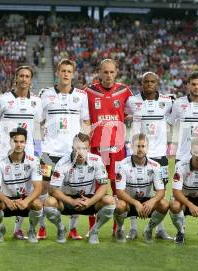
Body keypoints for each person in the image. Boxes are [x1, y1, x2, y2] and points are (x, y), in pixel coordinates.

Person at [0, 65, 42, 240]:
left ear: (31, 80)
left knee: (25, 188)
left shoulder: (37, 102)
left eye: (27, 76)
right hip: (4, 152)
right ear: (16, 78)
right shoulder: (3, 99)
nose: (24, 79)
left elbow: (39, 125)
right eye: (21, 76)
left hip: (28, 151)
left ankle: (18, 229)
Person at [39, 59, 90, 240]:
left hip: (72, 153)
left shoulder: (81, 96)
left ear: (73, 74)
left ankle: (73, 229)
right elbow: (39, 119)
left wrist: (85, 146)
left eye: (69, 71)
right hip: (49, 152)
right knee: (43, 189)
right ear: (58, 73)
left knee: (74, 189)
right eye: (63, 71)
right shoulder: (45, 95)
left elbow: (85, 122)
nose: (66, 74)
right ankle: (42, 227)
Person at [84, 59, 132, 235]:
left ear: (116, 72)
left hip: (117, 147)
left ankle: (117, 227)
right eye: (105, 72)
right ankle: (92, 228)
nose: (109, 75)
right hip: (96, 147)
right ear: (99, 72)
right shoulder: (88, 91)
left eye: (112, 72)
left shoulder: (124, 91)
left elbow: (131, 112)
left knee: (118, 187)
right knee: (95, 187)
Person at [124, 72, 173, 240]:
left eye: (153, 81)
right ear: (141, 83)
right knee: (132, 189)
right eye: (146, 82)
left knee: (160, 191)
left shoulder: (167, 101)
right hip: (138, 152)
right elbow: (123, 116)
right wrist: (129, 119)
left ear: (157, 83)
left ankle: (158, 228)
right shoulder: (132, 101)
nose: (150, 84)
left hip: (160, 155)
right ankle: (132, 228)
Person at [44, 133, 116, 244]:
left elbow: (104, 185)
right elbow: (52, 189)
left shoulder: (96, 160)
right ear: (72, 148)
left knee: (110, 201)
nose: (81, 151)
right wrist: (72, 201)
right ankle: (61, 228)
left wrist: (90, 201)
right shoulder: (62, 162)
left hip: (89, 200)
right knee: (49, 202)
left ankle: (94, 231)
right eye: (78, 148)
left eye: (84, 148)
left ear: (89, 148)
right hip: (67, 200)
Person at [0, 128, 43, 243]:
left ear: (25, 143)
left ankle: (32, 230)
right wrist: (7, 201)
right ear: (10, 142)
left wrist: (26, 201)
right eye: (15, 141)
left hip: (25, 201)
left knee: (38, 204)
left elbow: (38, 188)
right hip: (7, 200)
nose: (18, 144)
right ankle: (0, 228)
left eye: (21, 142)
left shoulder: (34, 161)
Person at [114, 134, 169, 243]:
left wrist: (151, 202)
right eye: (137, 146)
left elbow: (161, 191)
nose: (140, 149)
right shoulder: (122, 164)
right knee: (119, 205)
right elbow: (119, 192)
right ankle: (120, 229)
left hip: (146, 202)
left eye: (143, 146)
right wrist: (135, 203)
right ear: (131, 147)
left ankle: (148, 230)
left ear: (147, 148)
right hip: (129, 202)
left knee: (164, 204)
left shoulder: (155, 166)